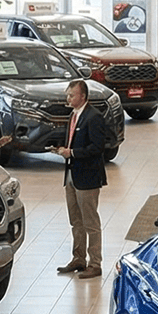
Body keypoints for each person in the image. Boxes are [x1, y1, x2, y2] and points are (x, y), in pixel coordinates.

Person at [53, 80, 111, 279]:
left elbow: (98, 147)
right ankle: (78, 258)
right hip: (71, 175)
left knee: (90, 222)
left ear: (83, 96)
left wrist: (73, 153)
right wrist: (62, 150)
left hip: (87, 177)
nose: (68, 98)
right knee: (75, 220)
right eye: (68, 95)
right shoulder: (73, 115)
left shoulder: (93, 117)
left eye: (72, 95)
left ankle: (95, 263)